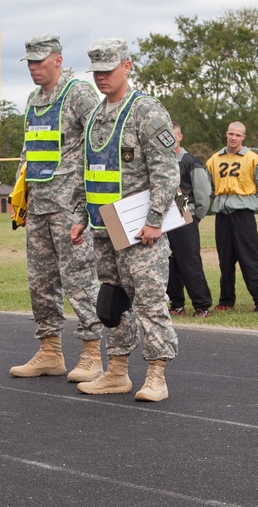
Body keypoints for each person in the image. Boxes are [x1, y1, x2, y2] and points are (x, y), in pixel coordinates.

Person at [70, 38, 180, 402]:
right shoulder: (96, 117)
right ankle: (116, 371)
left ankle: (157, 376)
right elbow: (89, 171)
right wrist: (80, 216)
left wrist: (154, 220)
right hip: (104, 230)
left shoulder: (146, 111)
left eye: (108, 70)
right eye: (96, 72)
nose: (101, 77)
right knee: (112, 304)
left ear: (127, 67)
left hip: (140, 232)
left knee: (150, 303)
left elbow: (166, 171)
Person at [9, 34, 104, 383]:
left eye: (39, 61)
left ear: (58, 60)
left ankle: (91, 352)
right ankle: (50, 351)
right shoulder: (34, 99)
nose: (33, 67)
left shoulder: (78, 93)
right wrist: (19, 193)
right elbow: (29, 150)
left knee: (80, 281)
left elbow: (100, 139)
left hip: (70, 207)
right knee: (41, 282)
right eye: (29, 62)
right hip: (38, 206)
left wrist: (88, 201)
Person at [205, 121, 258, 313]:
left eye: (238, 135)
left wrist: (252, 202)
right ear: (226, 134)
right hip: (222, 216)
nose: (233, 138)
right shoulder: (214, 159)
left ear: (243, 137)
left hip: (243, 216)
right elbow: (208, 186)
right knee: (225, 260)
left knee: (249, 258)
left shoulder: (252, 159)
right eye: (231, 134)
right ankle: (226, 300)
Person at [165, 122, 213, 318]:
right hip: (164, 218)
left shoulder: (189, 161)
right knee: (169, 263)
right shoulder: (160, 161)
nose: (169, 140)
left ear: (180, 137)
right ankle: (176, 304)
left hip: (184, 213)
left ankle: (202, 305)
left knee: (189, 262)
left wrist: (193, 216)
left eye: (173, 136)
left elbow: (202, 195)